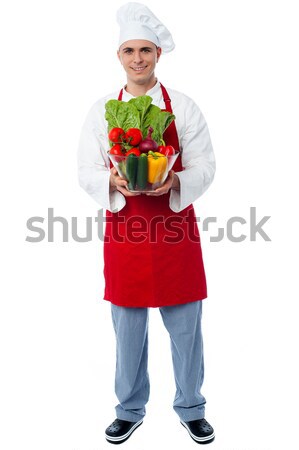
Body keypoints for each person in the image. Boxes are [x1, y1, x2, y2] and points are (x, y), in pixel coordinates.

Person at [78, 2, 216, 445]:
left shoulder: (185, 108)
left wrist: (174, 177)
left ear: (159, 54)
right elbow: (86, 171)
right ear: (119, 57)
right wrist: (113, 179)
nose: (138, 58)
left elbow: (207, 167)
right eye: (129, 51)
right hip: (127, 232)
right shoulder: (103, 111)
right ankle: (129, 409)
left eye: (145, 50)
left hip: (175, 231)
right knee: (128, 333)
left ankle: (191, 407)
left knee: (186, 331)